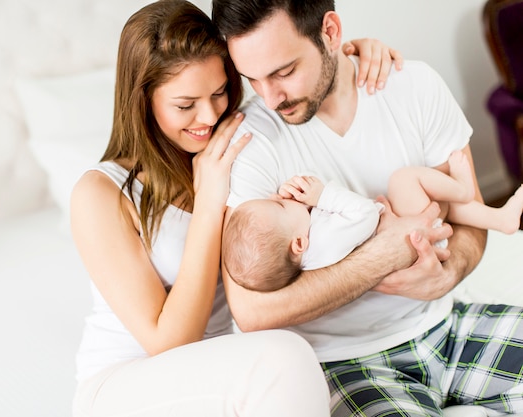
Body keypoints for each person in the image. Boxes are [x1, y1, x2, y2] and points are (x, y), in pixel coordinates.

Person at [69, 1, 398, 416]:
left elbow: (294, 81)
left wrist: (353, 55)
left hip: (219, 375)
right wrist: (208, 204)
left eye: (220, 91)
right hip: (127, 382)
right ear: (143, 102)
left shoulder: (238, 144)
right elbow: (168, 344)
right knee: (285, 357)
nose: (207, 116)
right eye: (185, 105)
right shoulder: (101, 194)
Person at [212, 1, 523, 415]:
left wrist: (447, 275)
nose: (270, 98)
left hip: (447, 326)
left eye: (284, 72)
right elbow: (252, 311)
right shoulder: (251, 143)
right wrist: (383, 256)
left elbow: (474, 220)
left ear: (331, 31)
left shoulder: (414, 86)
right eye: (253, 79)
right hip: (347, 363)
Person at [223, 152, 523, 292]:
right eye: (279, 204)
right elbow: (365, 214)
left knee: (440, 204)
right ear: (298, 243)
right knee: (404, 179)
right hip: (416, 244)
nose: (280, 196)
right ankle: (464, 188)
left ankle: (501, 219)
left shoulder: (307, 252)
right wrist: (321, 195)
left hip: (412, 238)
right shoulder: (324, 242)